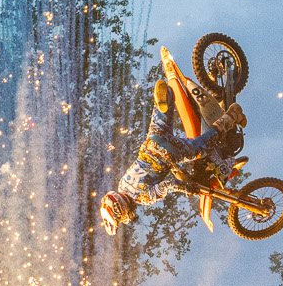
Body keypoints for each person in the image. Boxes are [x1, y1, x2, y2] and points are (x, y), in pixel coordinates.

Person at [99, 73, 246, 235]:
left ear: (120, 209)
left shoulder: (142, 198)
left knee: (202, 146)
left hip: (169, 154)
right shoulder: (123, 185)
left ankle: (232, 116)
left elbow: (168, 185)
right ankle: (166, 96)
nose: (126, 218)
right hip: (152, 142)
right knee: (162, 115)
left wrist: (187, 188)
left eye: (121, 217)